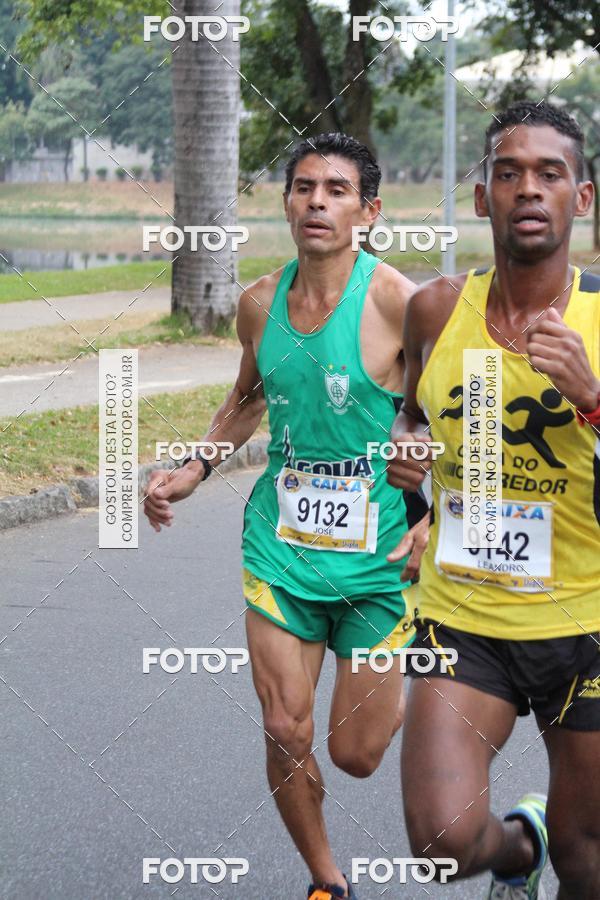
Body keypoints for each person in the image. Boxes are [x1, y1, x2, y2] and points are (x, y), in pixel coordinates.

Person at [144, 133, 425, 900]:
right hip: (281, 549)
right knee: (284, 728)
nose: (316, 202)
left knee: (356, 753)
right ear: (287, 202)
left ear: (368, 210)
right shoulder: (258, 304)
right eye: (303, 187)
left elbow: (454, 418)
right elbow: (246, 400)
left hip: (377, 561)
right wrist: (194, 467)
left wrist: (438, 513)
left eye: (336, 190)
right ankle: (326, 880)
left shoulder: (401, 302)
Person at [388, 100, 600, 899]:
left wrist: (593, 398)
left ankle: (557, 843)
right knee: (442, 843)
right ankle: (521, 847)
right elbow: (413, 407)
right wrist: (407, 443)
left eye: (551, 174)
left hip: (587, 620)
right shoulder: (438, 309)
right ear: (482, 198)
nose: (529, 190)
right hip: (464, 613)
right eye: (507, 174)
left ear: (582, 197)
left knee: (590, 860)